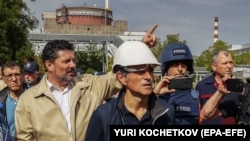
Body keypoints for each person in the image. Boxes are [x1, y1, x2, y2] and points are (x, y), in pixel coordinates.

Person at [15, 24, 159, 141]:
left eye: (73, 60)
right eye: (66, 61)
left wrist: (140, 48)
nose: (72, 65)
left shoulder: (89, 85)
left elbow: (120, 77)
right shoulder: (29, 100)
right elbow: (24, 138)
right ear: (49, 65)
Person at [85, 41, 175, 141]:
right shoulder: (104, 115)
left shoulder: (166, 112)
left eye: (150, 70)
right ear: (122, 77)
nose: (148, 77)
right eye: (140, 71)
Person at [153, 43, 200, 125]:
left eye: (183, 65)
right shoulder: (156, 94)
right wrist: (155, 94)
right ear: (166, 68)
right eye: (175, 65)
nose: (180, 69)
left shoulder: (195, 95)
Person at [196, 50, 240, 124]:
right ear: (214, 66)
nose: (229, 66)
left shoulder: (238, 86)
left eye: (231, 63)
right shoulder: (202, 86)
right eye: (225, 63)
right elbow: (197, 113)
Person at [0, 61, 27, 141]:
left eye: (17, 74)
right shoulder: (1, 102)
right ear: (3, 78)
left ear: (23, 75)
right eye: (9, 76)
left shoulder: (36, 98)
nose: (14, 79)